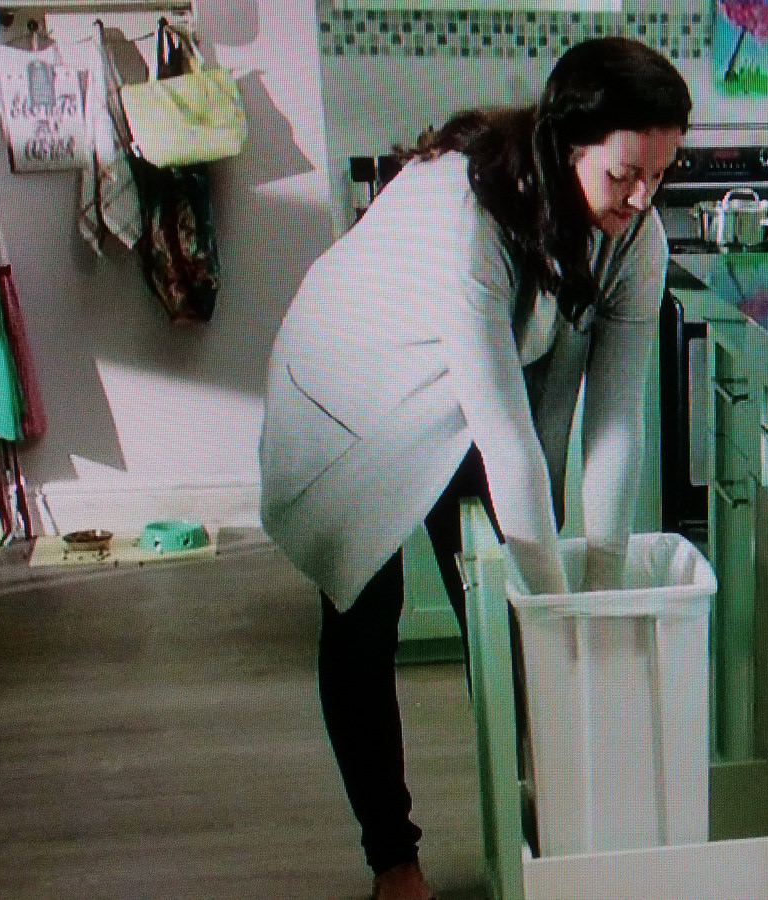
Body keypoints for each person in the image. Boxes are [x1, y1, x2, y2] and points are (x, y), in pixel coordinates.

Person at [257, 37, 692, 900]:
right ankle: (394, 860)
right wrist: (556, 619)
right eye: (623, 175)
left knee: (498, 607)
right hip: (351, 389)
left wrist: (591, 605)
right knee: (365, 613)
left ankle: (545, 822)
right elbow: (508, 441)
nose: (641, 198)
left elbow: (614, 426)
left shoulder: (637, 237)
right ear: (567, 147)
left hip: (460, 391)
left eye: (659, 175)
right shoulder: (469, 216)